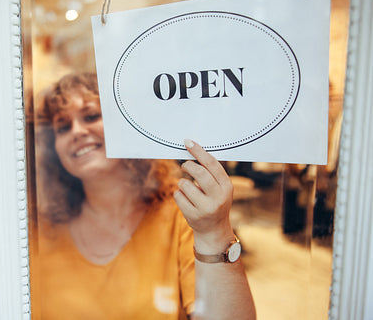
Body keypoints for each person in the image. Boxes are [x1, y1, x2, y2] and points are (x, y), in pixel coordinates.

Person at [29, 73, 255, 320]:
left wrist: (214, 231)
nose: (77, 131)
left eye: (91, 116)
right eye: (63, 127)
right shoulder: (39, 228)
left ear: (127, 124)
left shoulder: (183, 216)